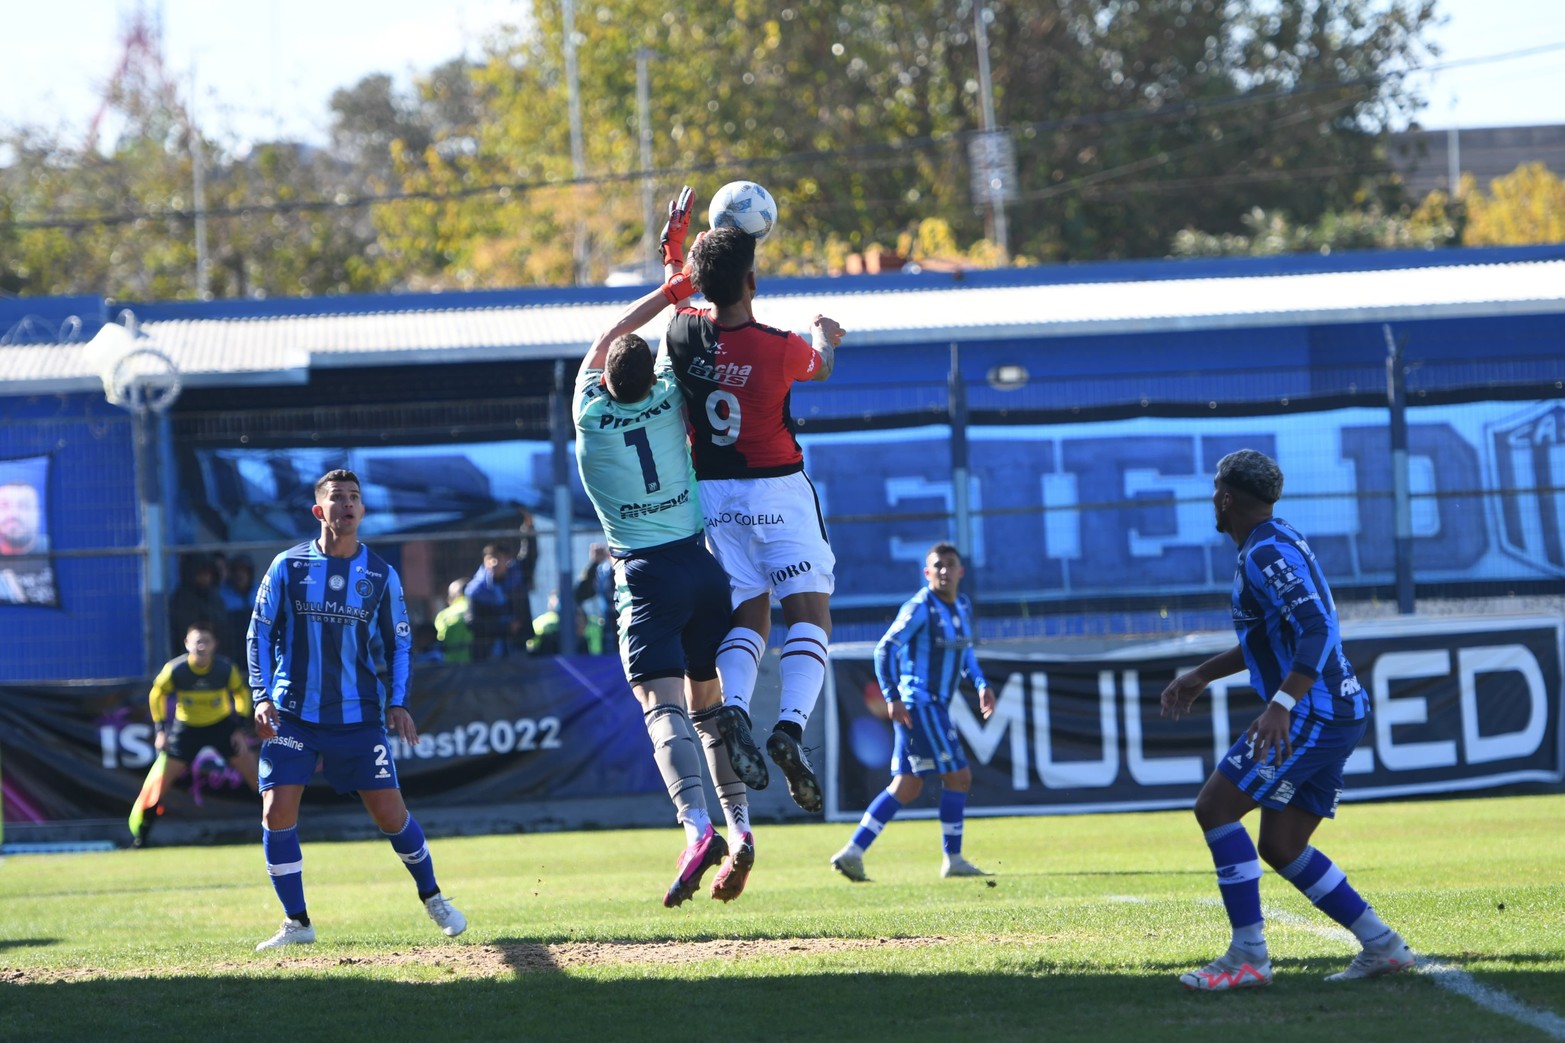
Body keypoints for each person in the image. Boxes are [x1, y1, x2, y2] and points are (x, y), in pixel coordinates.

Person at [572, 188, 766, 905]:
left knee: (664, 711)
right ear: (645, 378)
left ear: (603, 382)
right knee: (710, 706)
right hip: (702, 566)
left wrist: (664, 282)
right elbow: (667, 336)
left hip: (647, 576)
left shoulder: (591, 416)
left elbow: (604, 342)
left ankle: (693, 827)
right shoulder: (667, 398)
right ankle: (741, 827)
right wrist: (683, 282)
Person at [1159, 449, 1416, 991]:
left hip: (1315, 711)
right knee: (1281, 845)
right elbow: (1269, 636)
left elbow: (1318, 628)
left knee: (1216, 807)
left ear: (1226, 498)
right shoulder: (1276, 540)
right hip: (1335, 709)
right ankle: (1383, 945)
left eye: (1214, 491)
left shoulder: (1264, 552)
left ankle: (1247, 957)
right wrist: (1203, 673)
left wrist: (1282, 704)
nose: (1212, 499)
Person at [662, 224, 846, 814]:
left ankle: (736, 708)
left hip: (714, 496)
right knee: (808, 611)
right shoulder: (779, 345)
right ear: (753, 281)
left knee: (748, 611)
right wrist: (825, 335)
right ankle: (789, 729)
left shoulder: (682, 333)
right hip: (779, 489)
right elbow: (821, 368)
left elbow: (677, 292)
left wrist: (674, 255)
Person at [247, 468, 466, 950]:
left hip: (357, 717)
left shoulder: (380, 575)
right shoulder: (287, 566)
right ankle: (298, 923)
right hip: (293, 714)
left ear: (362, 511)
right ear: (318, 510)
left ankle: (433, 897)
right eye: (337, 497)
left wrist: (399, 702)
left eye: (354, 498)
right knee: (275, 811)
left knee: (390, 815)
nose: (346, 504)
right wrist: (261, 695)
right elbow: (258, 633)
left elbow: (400, 645)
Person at [831, 542, 996, 881]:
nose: (945, 571)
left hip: (931, 706)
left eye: (951, 565)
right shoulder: (921, 607)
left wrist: (980, 683)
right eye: (938, 566)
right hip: (921, 704)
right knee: (959, 777)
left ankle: (853, 851)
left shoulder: (962, 607)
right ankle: (953, 860)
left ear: (961, 572)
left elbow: (965, 655)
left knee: (907, 784)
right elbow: (884, 649)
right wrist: (892, 695)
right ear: (927, 573)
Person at [129, 621, 259, 848]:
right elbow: (156, 694)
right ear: (187, 644)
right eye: (197, 641)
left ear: (214, 645)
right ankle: (141, 838)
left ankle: (280, 828)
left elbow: (242, 693)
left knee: (257, 778)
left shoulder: (224, 669)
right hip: (186, 730)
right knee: (158, 784)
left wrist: (238, 728)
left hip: (221, 727)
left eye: (206, 641)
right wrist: (161, 730)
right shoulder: (176, 670)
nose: (201, 646)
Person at [464, 543, 533, 660]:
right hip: (489, 652)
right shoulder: (476, 591)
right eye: (490, 559)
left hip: (517, 647)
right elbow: (472, 622)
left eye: (498, 558)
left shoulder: (516, 581)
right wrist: (505, 627)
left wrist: (528, 530)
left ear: (507, 560)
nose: (494, 563)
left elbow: (530, 557)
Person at [168, 554, 228, 657]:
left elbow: (223, 624)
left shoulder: (214, 597)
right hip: (189, 656)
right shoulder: (182, 598)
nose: (206, 578)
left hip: (216, 655)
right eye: (201, 574)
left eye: (208, 574)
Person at [574, 542, 617, 651]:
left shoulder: (634, 571)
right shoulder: (604, 573)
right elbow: (579, 593)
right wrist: (594, 563)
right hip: (609, 628)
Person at [0, 479, 48, 555]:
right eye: (4, 505)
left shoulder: (59, 549)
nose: (13, 514)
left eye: (24, 506)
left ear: (38, 514)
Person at [433, 579, 473, 664]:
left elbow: (440, 637)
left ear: (450, 598)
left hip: (451, 665)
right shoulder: (476, 607)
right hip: (476, 662)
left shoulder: (443, 615)